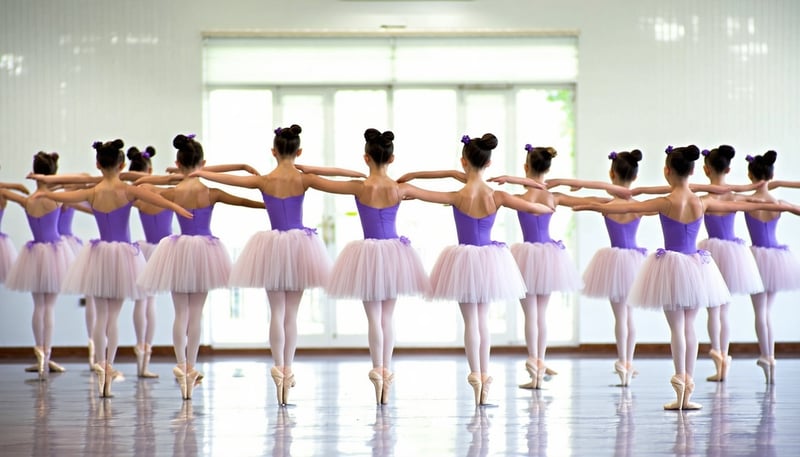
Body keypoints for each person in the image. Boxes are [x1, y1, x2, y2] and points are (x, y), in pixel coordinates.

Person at [573, 145, 798, 410]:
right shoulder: (702, 202)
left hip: (669, 267)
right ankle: (688, 388)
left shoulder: (664, 201)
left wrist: (587, 204)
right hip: (697, 268)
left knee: (676, 329)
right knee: (690, 328)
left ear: (667, 171)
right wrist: (782, 201)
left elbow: (627, 205)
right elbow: (743, 201)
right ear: (693, 170)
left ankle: (679, 380)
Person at [189, 125, 360, 406]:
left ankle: (277, 366)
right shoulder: (305, 179)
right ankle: (288, 369)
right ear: (299, 151)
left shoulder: (264, 181)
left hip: (271, 247)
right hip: (301, 247)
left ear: (273, 151)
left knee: (276, 312)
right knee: (291, 314)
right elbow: (339, 179)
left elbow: (227, 179)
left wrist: (198, 173)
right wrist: (357, 174)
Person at [398, 133, 553, 406]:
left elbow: (410, 189)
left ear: (463, 161)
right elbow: (537, 206)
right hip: (490, 262)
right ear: (490, 162)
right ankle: (485, 378)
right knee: (483, 322)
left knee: (471, 322)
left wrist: (432, 174)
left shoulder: (457, 195)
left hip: (464, 261)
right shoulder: (499, 195)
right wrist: (521, 181)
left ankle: (474, 376)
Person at [37, 139, 192, 397]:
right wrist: (178, 208)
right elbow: (158, 197)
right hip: (122, 256)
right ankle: (108, 366)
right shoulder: (127, 191)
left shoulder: (93, 191)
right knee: (113, 318)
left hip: (98, 256)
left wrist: (45, 191)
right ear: (122, 165)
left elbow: (65, 195)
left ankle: (101, 366)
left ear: (98, 164)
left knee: (100, 317)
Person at [300, 128, 428, 405]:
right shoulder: (400, 188)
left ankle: (376, 371)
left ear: (365, 157)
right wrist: (415, 184)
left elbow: (312, 180)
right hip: (395, 253)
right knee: (387, 318)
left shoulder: (358, 187)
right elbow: (441, 194)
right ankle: (387, 371)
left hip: (368, 254)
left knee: (373, 319)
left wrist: (304, 165)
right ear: (392, 158)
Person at [137, 134, 264, 400]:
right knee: (196, 314)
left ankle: (181, 366)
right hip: (205, 251)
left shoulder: (172, 192)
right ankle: (191, 367)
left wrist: (168, 178)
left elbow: (140, 184)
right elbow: (242, 201)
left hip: (178, 250)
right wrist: (267, 205)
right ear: (203, 163)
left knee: (179, 313)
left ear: (177, 162)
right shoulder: (211, 191)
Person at [488, 145, 590, 390]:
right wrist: (570, 184)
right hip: (548, 256)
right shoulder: (552, 197)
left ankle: (534, 365)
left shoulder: (520, 198)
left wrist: (509, 179)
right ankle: (540, 362)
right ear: (548, 168)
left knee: (530, 315)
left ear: (526, 168)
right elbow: (587, 199)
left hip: (524, 255)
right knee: (541, 315)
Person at [548, 149, 649, 386]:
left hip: (614, 263)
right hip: (635, 262)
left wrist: (567, 186)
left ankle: (622, 362)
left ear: (611, 174)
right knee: (630, 316)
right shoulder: (640, 205)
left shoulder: (606, 203)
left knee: (619, 317)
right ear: (635, 177)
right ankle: (629, 363)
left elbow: (581, 198)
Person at [695, 146, 765, 382]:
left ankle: (718, 355)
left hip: (712, 252)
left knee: (713, 308)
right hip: (733, 253)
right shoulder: (734, 197)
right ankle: (724, 356)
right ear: (729, 168)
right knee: (724, 308)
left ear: (705, 169)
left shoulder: (704, 199)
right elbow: (757, 195)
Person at [4, 152, 75, 379]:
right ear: (53, 173)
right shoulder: (57, 199)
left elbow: (2, 190)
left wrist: (21, 184)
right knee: (49, 308)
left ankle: (40, 357)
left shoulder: (28, 201)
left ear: (34, 173)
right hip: (55, 253)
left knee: (39, 307)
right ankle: (47, 354)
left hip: (34, 255)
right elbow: (80, 180)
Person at [742, 150, 800, 384]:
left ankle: (766, 356)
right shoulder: (778, 203)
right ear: (771, 174)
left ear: (750, 175)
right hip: (776, 257)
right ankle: (770, 357)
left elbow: (724, 196)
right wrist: (777, 184)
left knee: (760, 311)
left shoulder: (748, 201)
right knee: (768, 312)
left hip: (756, 258)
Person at [128, 145, 171, 378]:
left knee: (140, 302)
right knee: (150, 303)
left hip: (144, 251)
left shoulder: (134, 196)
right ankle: (146, 358)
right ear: (150, 168)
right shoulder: (164, 191)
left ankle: (140, 353)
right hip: (161, 250)